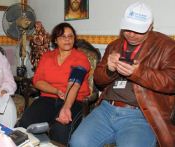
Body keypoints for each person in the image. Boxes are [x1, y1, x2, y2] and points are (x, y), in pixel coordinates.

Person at [70, 2, 175, 147]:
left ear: (150, 27)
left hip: (141, 115)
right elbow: (98, 81)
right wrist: (109, 70)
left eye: (138, 31)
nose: (131, 34)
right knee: (77, 142)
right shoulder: (114, 45)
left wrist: (139, 73)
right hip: (106, 109)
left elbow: (172, 81)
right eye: (127, 29)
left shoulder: (167, 46)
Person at [16, 22, 91, 145]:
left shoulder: (80, 57)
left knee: (60, 130)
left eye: (70, 36)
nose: (67, 40)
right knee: (26, 122)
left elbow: (74, 83)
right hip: (48, 98)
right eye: (62, 36)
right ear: (55, 40)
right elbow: (37, 81)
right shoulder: (47, 56)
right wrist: (56, 91)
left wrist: (66, 107)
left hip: (74, 101)